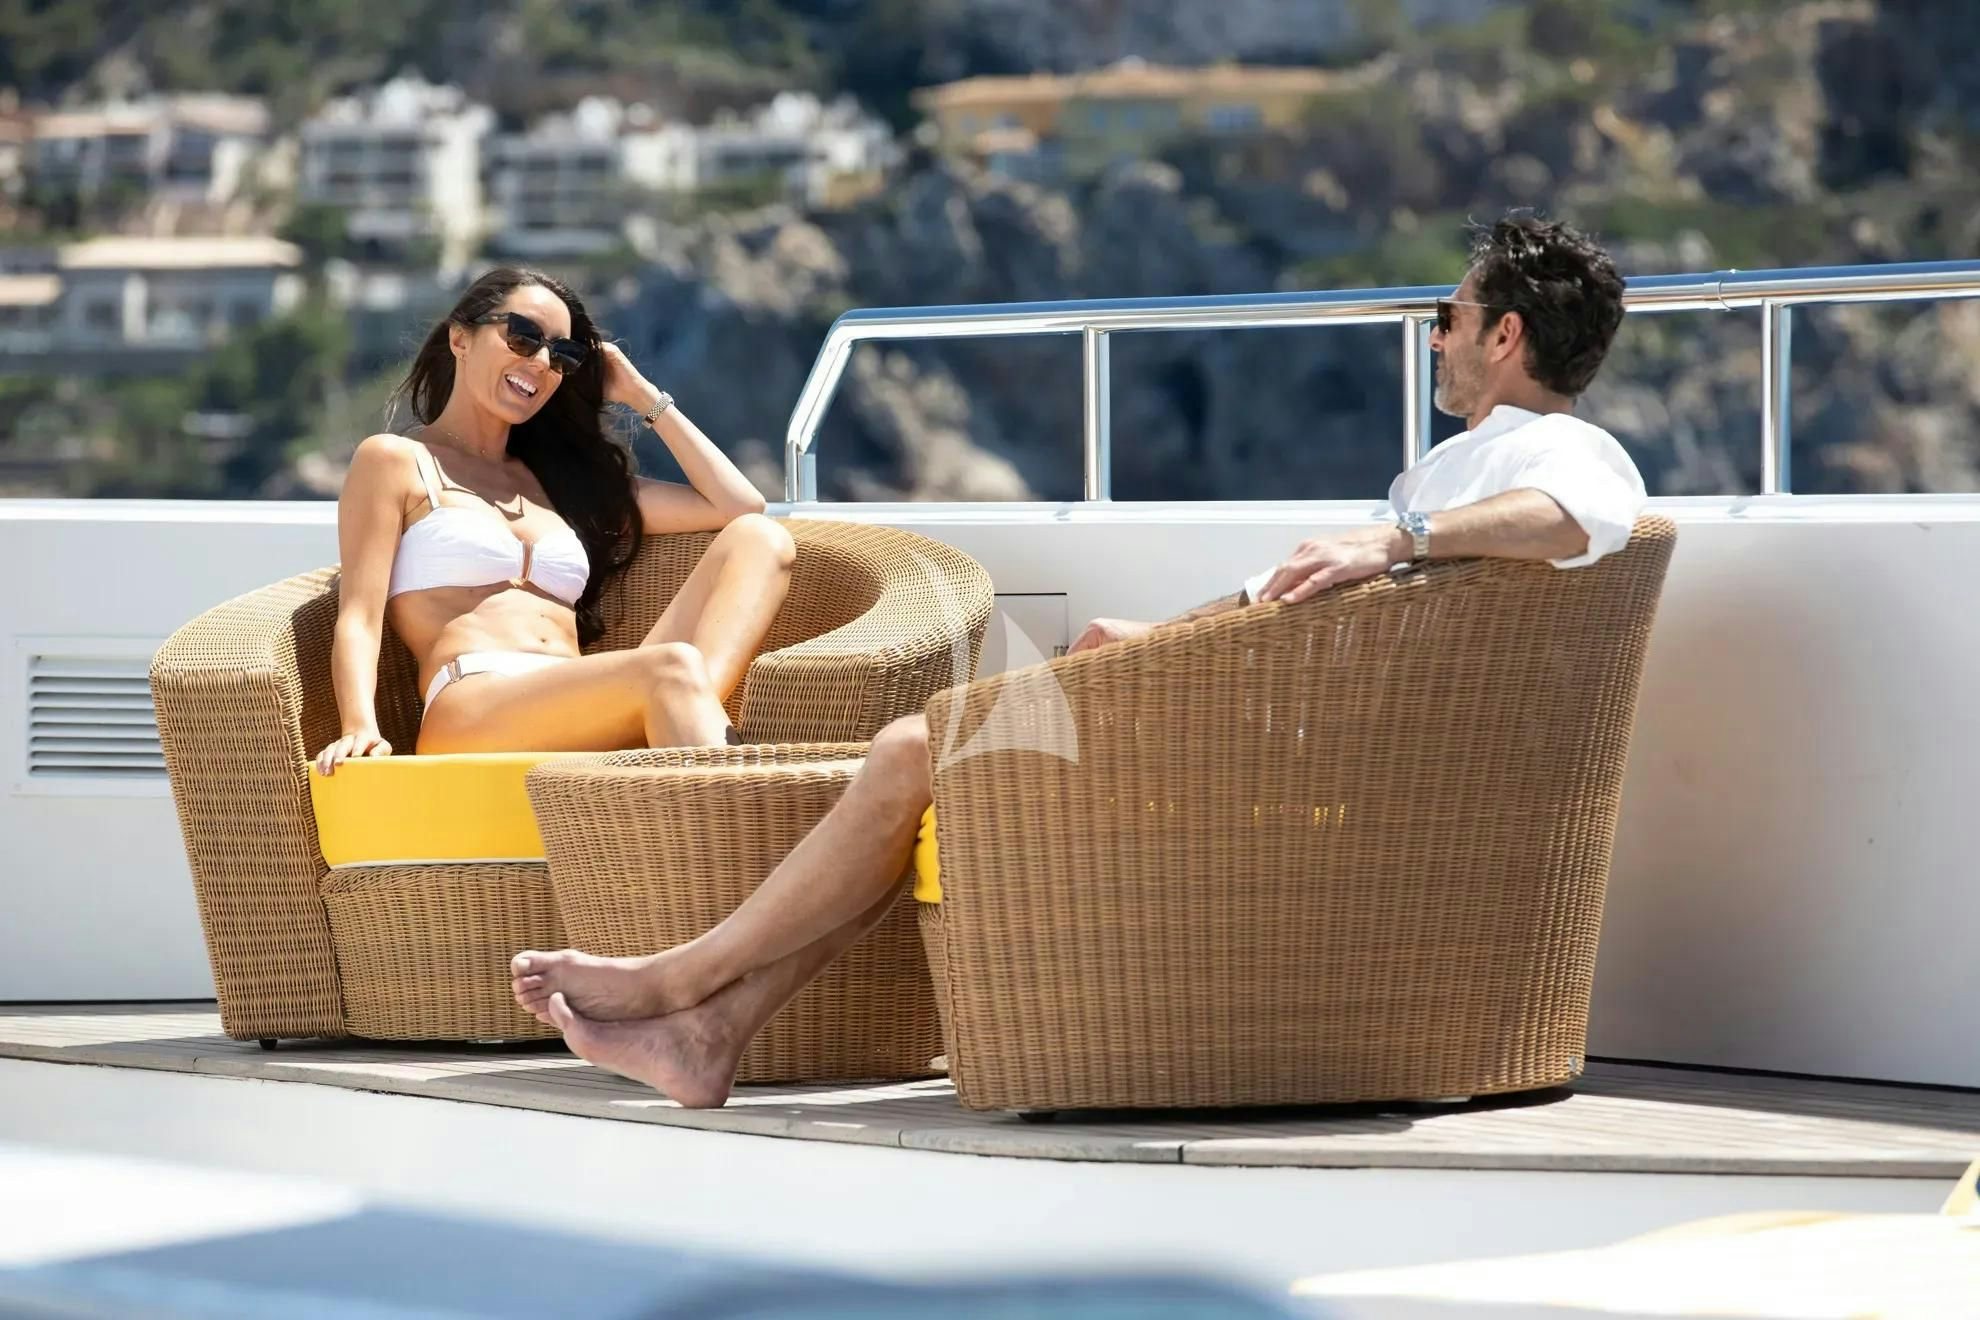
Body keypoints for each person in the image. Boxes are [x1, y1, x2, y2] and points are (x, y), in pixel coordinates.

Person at [509, 214, 1648, 1106]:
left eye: (1450, 318)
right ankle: (708, 1034)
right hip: (1273, 713)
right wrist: (1167, 641)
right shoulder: (1457, 469)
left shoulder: (1558, 452)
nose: (1437, 337)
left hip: (1304, 758)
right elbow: (1304, 612)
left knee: (917, 748)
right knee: (939, 758)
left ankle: (679, 986)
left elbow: (1578, 517)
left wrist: (1400, 536)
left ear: (1506, 336)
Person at [315, 266, 793, 775]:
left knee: (760, 540)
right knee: (673, 669)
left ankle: (679, 730)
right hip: (472, 705)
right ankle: (718, 781)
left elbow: (739, 506)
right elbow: (359, 618)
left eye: (563, 355)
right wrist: (359, 725)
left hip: (579, 703)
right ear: (460, 338)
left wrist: (641, 395)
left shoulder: (559, 484)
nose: (541, 362)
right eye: (522, 336)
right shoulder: (395, 461)